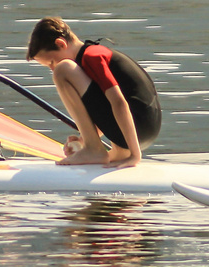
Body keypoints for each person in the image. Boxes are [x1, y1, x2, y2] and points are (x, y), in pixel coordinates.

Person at [26, 17, 162, 168]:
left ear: (61, 44)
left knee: (62, 70)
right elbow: (104, 106)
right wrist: (82, 139)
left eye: (51, 62)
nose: (52, 69)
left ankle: (94, 149)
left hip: (138, 126)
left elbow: (119, 102)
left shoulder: (92, 57)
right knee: (110, 158)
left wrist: (135, 156)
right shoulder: (92, 54)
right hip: (144, 131)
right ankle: (97, 147)